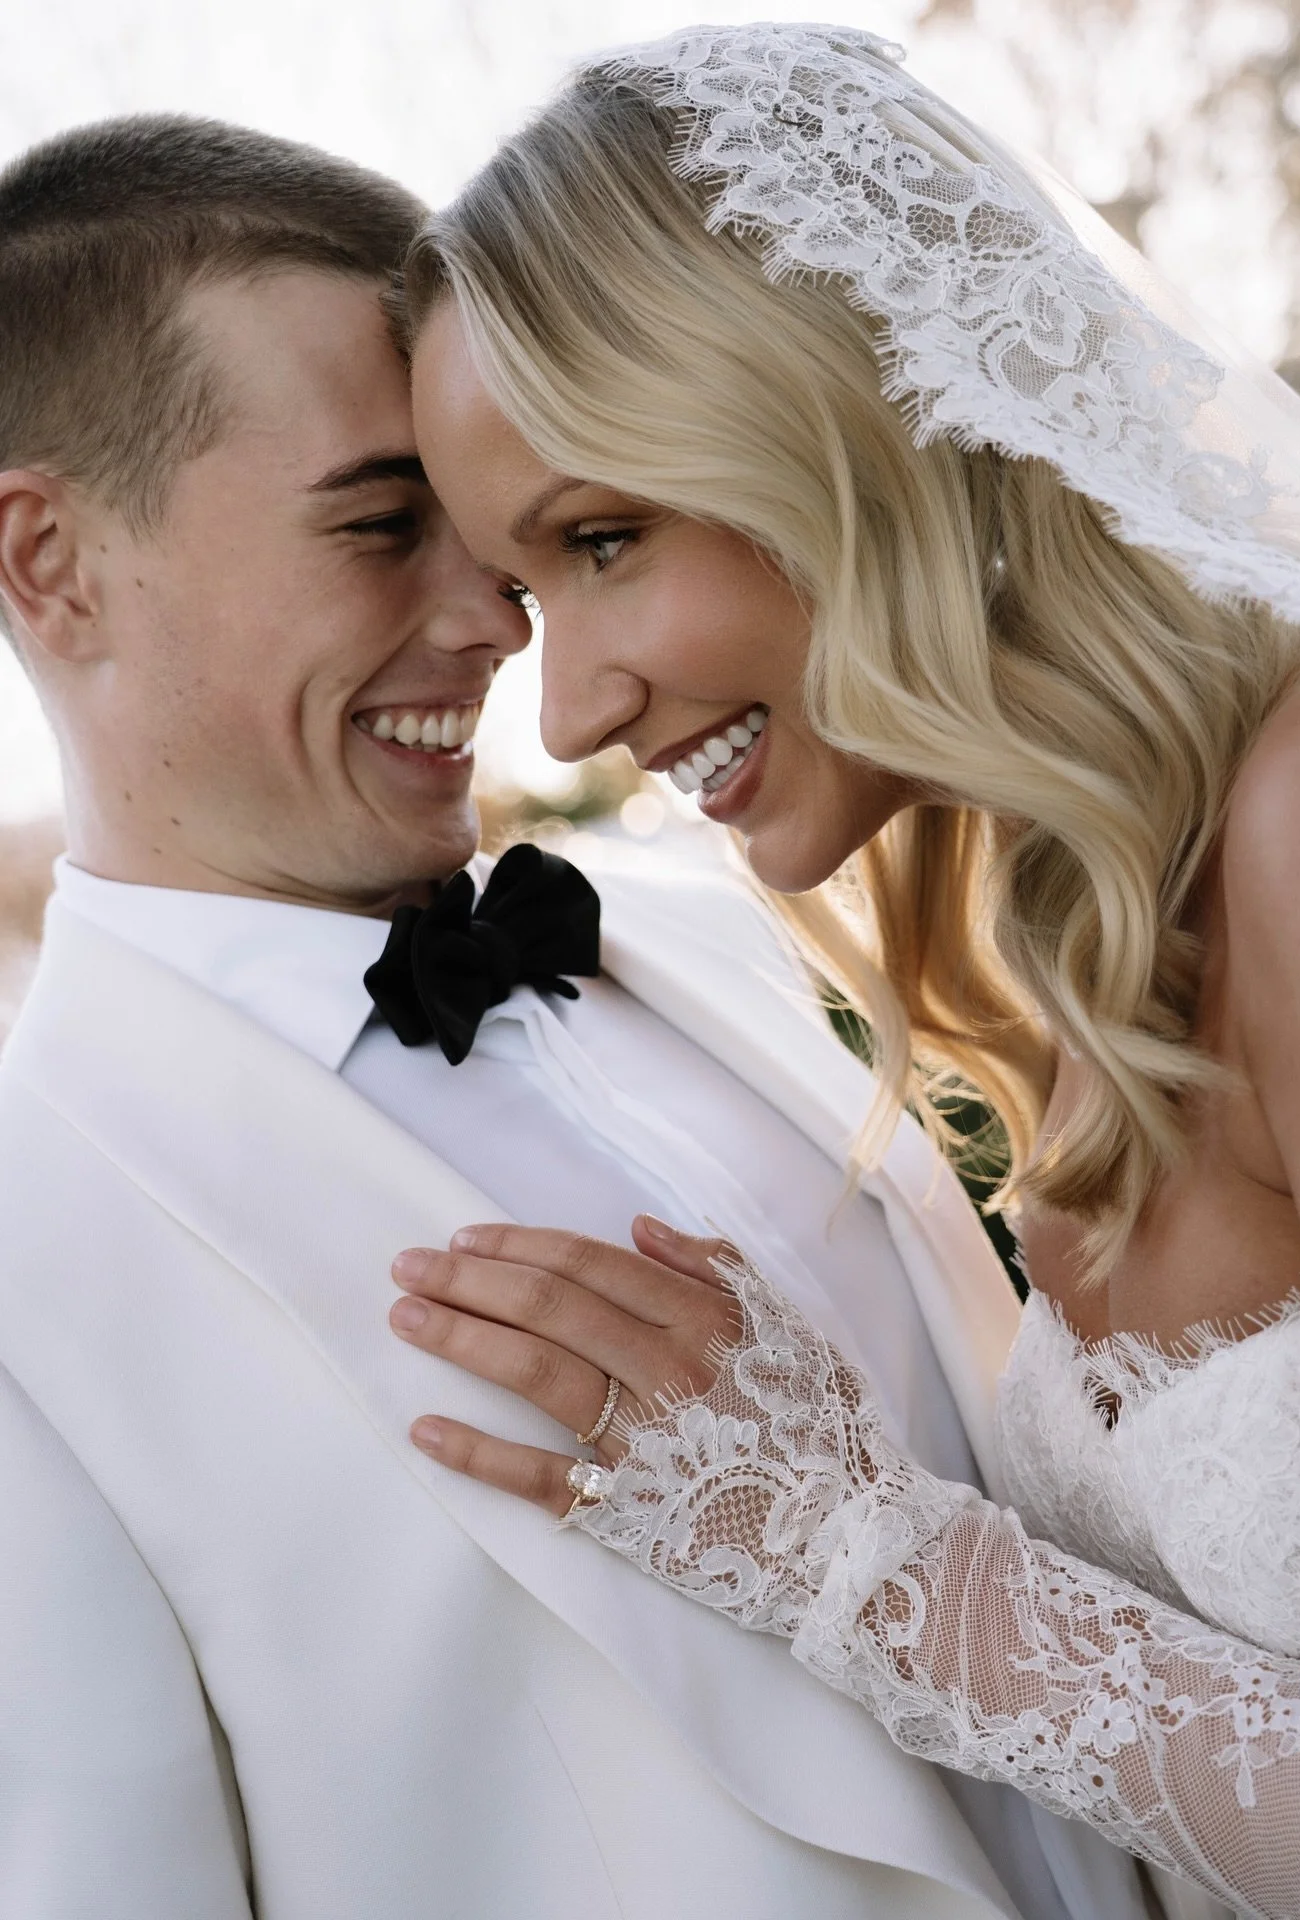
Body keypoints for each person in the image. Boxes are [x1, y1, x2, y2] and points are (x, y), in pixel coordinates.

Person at [0, 110, 1159, 1920]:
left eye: (512, 546)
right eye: (387, 526)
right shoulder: (30, 1266)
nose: (500, 634)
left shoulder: (726, 935)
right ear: (49, 561)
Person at [382, 23, 1300, 1920]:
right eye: (536, 596)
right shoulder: (1074, 922)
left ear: (844, 426)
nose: (574, 701)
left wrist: (853, 1558)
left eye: (608, 537)